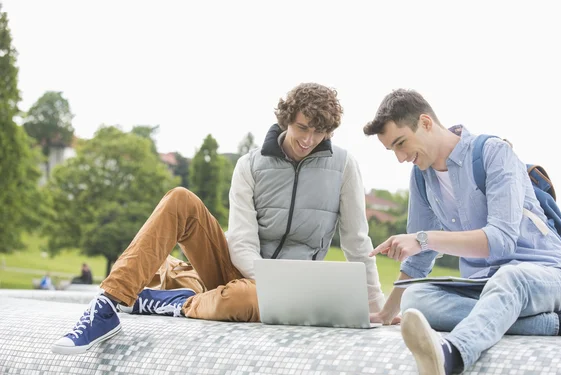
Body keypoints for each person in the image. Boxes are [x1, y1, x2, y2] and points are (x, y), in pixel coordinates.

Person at [52, 82, 385, 355]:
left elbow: (356, 239)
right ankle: (106, 306)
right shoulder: (250, 165)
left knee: (246, 298)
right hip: (234, 267)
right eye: (302, 128)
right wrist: (272, 283)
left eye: (320, 132)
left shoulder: (344, 166)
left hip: (288, 290)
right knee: (180, 199)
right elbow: (240, 240)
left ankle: (174, 303)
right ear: (287, 120)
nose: (308, 140)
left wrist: (376, 304)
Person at [363, 89, 561, 375]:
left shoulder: (494, 153)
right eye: (391, 150)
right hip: (484, 285)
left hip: (544, 274)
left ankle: (452, 355)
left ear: (425, 122)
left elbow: (501, 241)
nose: (400, 157)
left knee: (510, 277)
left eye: (401, 143)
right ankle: (558, 324)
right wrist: (386, 311)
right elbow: (419, 261)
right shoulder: (422, 178)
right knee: (415, 301)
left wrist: (423, 239)